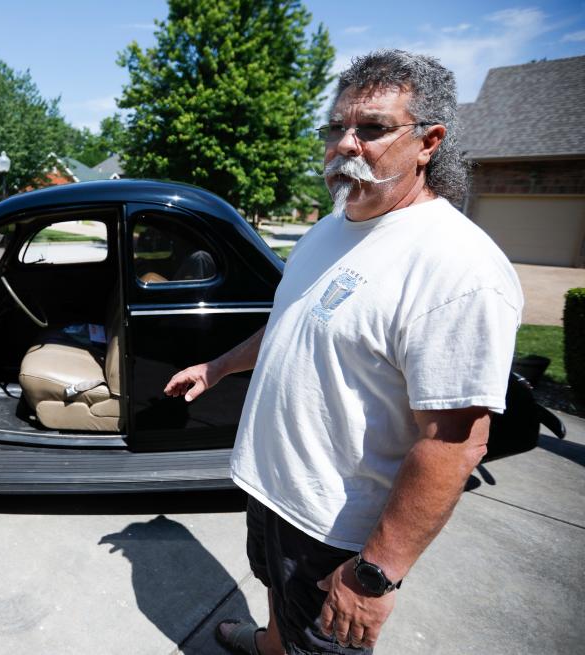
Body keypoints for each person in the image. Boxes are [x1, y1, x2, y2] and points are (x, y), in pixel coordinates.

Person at [164, 50, 523, 655]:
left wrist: (375, 573)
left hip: (339, 531)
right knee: (280, 600)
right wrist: (218, 366)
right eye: (336, 127)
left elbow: (455, 442)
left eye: (373, 129)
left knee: (321, 640)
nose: (345, 145)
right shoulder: (337, 223)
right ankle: (269, 644)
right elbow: (292, 325)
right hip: (277, 490)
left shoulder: (458, 267)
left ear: (429, 141)